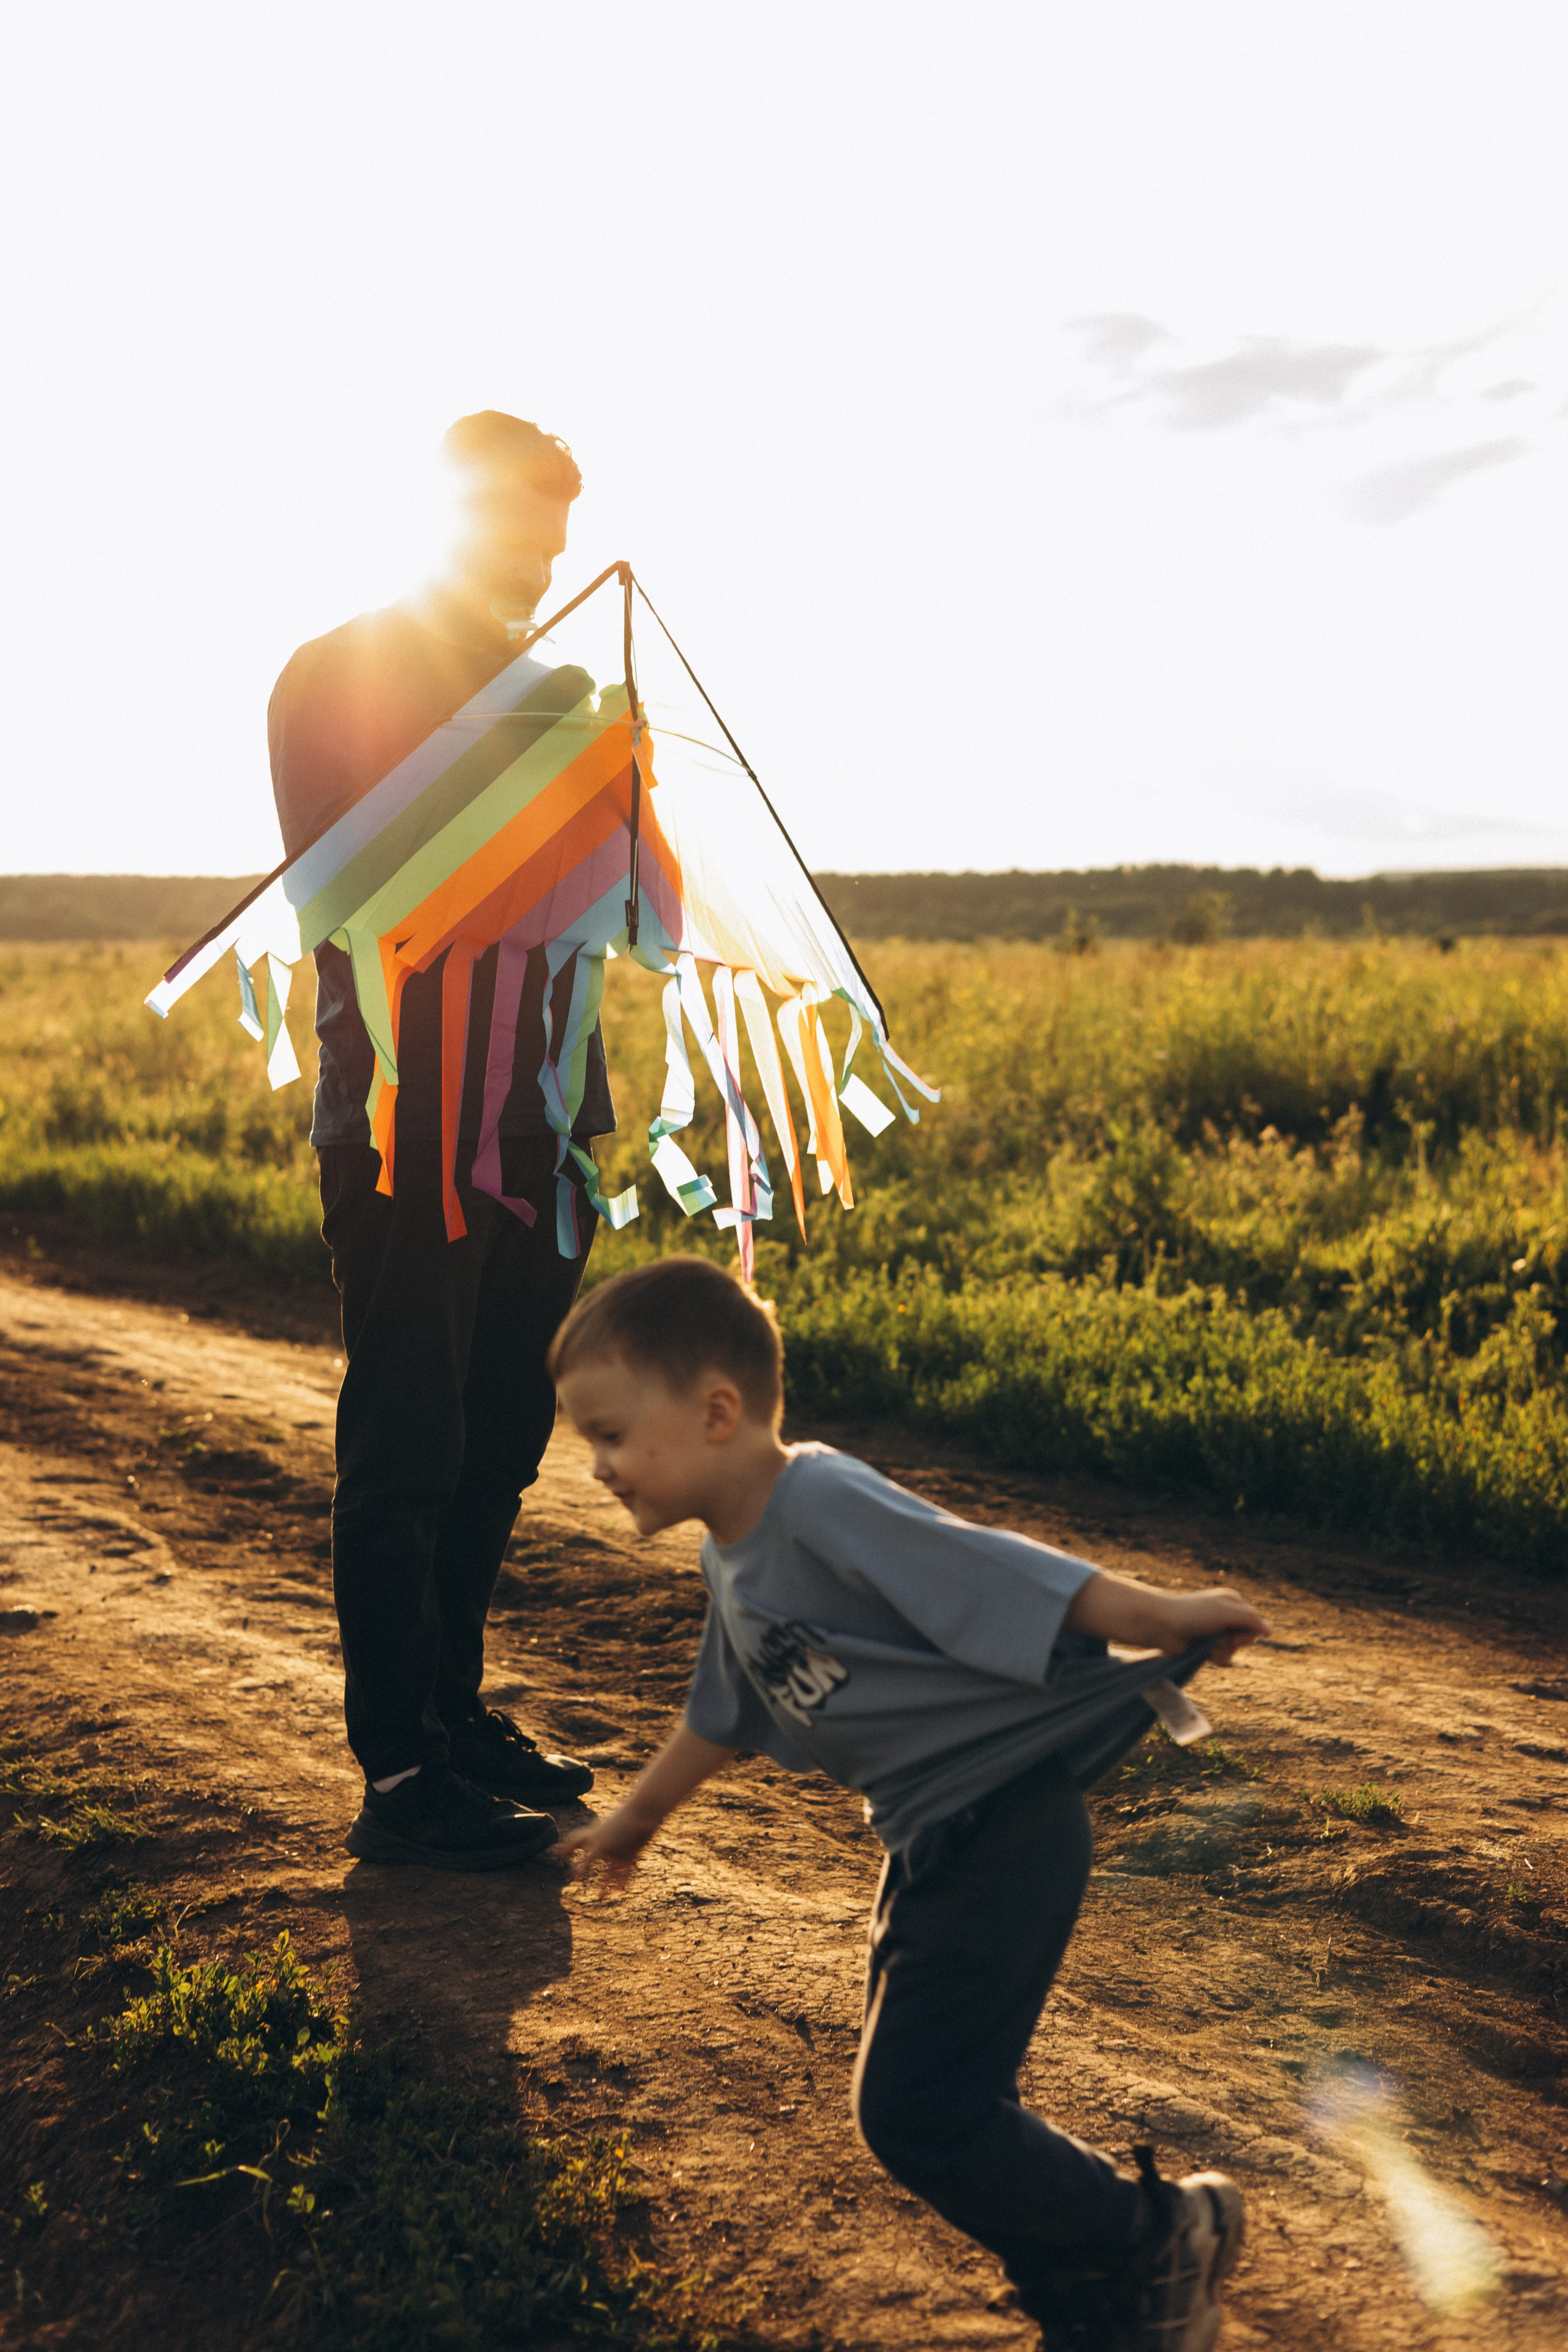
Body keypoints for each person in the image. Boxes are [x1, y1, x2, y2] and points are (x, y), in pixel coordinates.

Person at [548, 1256, 1272, 2350]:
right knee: (945, 2105)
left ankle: (1159, 2232)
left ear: (716, 1412)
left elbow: (993, 1571)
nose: (596, 1466)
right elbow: (724, 1706)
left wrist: (1160, 1612)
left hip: (1004, 1828)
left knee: (917, 2114)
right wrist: (635, 1822)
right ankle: (1104, 2298)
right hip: (937, 1838)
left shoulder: (820, 1500)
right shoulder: (732, 1556)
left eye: (607, 1434)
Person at [268, 411, 608, 1871]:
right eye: (515, 536)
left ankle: (455, 1715)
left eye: (556, 545)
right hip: (404, 1129)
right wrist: (515, 753)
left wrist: (607, 769)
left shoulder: (557, 694)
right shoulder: (335, 675)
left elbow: (603, 904)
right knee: (408, 1437)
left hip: (542, 1123)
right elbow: (350, 885)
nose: (539, 567)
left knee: (500, 1437)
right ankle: (398, 1772)